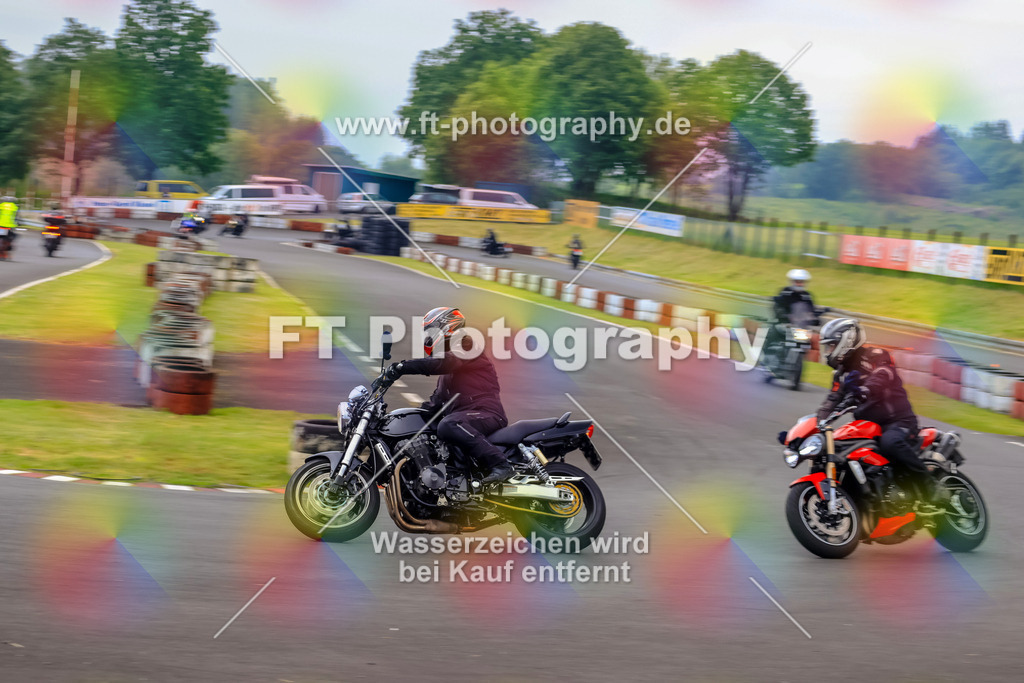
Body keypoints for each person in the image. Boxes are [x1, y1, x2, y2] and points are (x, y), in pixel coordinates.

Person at [817, 317, 949, 507]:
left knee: (890, 443)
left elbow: (883, 374)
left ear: (845, 342)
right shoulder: (841, 375)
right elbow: (831, 401)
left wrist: (865, 390)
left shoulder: (875, 355)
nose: (828, 352)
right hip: (869, 427)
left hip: (898, 421)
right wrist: (810, 428)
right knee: (843, 451)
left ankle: (930, 486)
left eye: (831, 346)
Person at [380, 307, 513, 486]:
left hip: (486, 412)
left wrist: (402, 367)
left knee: (450, 424)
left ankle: (501, 465)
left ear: (445, 327)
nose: (427, 336)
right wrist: (395, 419)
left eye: (430, 331)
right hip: (467, 415)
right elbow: (435, 404)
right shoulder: (449, 369)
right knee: (431, 425)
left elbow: (439, 364)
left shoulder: (467, 346)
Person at [762, 269, 820, 366]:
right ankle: (765, 358)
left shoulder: (807, 296)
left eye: (801, 282)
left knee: (806, 341)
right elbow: (777, 305)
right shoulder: (785, 292)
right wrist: (782, 315)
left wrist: (815, 318)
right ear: (792, 282)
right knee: (772, 330)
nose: (799, 284)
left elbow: (812, 310)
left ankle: (796, 362)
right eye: (797, 281)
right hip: (785, 324)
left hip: (799, 327)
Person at [0, 195, 19, 260]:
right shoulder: (15, 207)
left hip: (0, 226)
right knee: (11, 238)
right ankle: (6, 251)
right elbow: (17, 217)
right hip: (10, 226)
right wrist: (19, 223)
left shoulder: (1, 205)